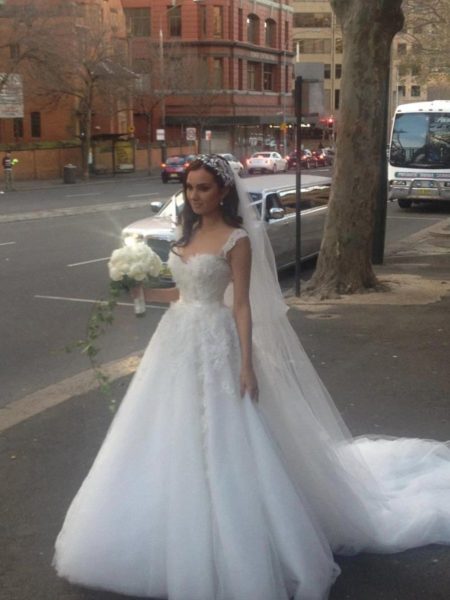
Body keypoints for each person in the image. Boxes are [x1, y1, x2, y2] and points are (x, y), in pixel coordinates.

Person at [53, 155, 450, 600]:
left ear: (223, 191)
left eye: (204, 188)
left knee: (227, 432)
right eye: (189, 188)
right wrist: (142, 291)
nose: (195, 196)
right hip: (176, 339)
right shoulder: (186, 234)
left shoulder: (237, 239)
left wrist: (247, 363)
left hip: (216, 339)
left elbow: (240, 304)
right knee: (167, 427)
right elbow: (182, 292)